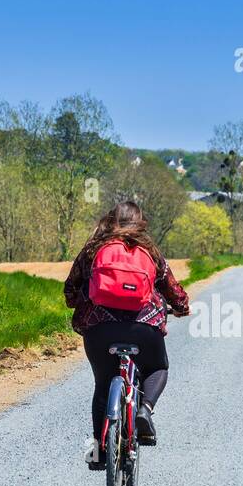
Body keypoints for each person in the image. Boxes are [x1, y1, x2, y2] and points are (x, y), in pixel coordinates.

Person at [64, 201, 190, 468]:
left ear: (110, 220)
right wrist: (180, 307)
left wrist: (86, 297)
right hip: (143, 327)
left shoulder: (92, 250)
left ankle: (100, 451)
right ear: (140, 222)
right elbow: (174, 292)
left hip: (100, 330)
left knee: (102, 384)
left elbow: (69, 292)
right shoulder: (151, 252)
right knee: (157, 367)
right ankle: (144, 410)